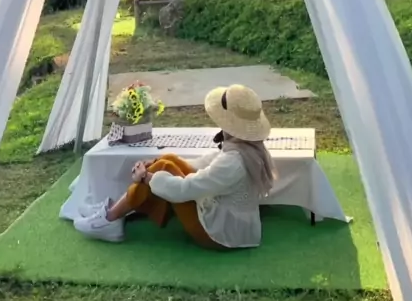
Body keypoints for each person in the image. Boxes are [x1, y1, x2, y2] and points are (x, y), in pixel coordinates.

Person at [74, 84, 276, 249]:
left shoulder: (233, 161)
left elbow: (184, 190)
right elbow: (205, 165)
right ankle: (115, 212)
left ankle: (111, 217)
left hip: (221, 234)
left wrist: (147, 177)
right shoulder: (248, 149)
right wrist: (156, 165)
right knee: (167, 161)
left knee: (164, 168)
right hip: (233, 224)